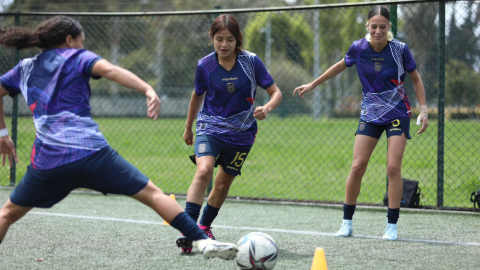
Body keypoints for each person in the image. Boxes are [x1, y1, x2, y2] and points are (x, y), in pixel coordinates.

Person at [0, 15, 238, 260]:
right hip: (91, 154)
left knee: (6, 213)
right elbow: (111, 71)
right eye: (81, 41)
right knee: (153, 195)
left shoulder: (25, 68)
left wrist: (3, 134)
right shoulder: (78, 57)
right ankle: (202, 241)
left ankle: (200, 240)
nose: (83, 46)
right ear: (69, 40)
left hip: (48, 162)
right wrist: (147, 89)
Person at [293, 5, 428, 241]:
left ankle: (392, 226)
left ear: (389, 28)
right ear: (368, 26)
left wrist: (424, 110)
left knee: (393, 168)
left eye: (382, 27)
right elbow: (339, 65)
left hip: (398, 112)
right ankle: (346, 223)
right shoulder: (358, 48)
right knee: (357, 167)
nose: (378, 31)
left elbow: (416, 79)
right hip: (370, 114)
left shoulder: (400, 50)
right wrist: (312, 84)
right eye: (374, 26)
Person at [178, 14, 282, 252]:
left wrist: (267, 107)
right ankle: (188, 229)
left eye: (229, 39)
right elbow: (197, 95)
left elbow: (276, 93)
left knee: (223, 184)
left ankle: (204, 227)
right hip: (209, 127)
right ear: (212, 39)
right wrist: (188, 126)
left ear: (238, 40)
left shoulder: (251, 62)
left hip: (243, 133)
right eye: (219, 39)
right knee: (204, 170)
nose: (224, 44)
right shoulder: (204, 65)